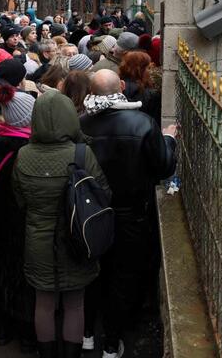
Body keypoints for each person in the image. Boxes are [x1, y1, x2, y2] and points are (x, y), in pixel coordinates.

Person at [80, 70, 176, 358]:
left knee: (94, 272)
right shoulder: (143, 123)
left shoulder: (82, 122)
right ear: (121, 87)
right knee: (123, 277)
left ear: (91, 92)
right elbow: (163, 167)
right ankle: (111, 342)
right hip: (130, 214)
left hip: (91, 212)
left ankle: (87, 333)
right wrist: (169, 140)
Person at [12, 89, 110, 358]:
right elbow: (103, 194)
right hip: (78, 239)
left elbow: (19, 198)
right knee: (75, 304)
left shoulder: (23, 155)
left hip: (38, 240)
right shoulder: (82, 154)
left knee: (43, 304)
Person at [0, 85, 37, 352]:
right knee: (22, 274)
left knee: (4, 267)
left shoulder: (0, 137)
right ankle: (26, 332)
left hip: (2, 214)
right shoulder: (25, 147)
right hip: (20, 216)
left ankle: (3, 327)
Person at [119, 51, 161, 125]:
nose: (151, 70)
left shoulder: (115, 87)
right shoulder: (152, 94)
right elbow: (155, 123)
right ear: (141, 70)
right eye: (148, 67)